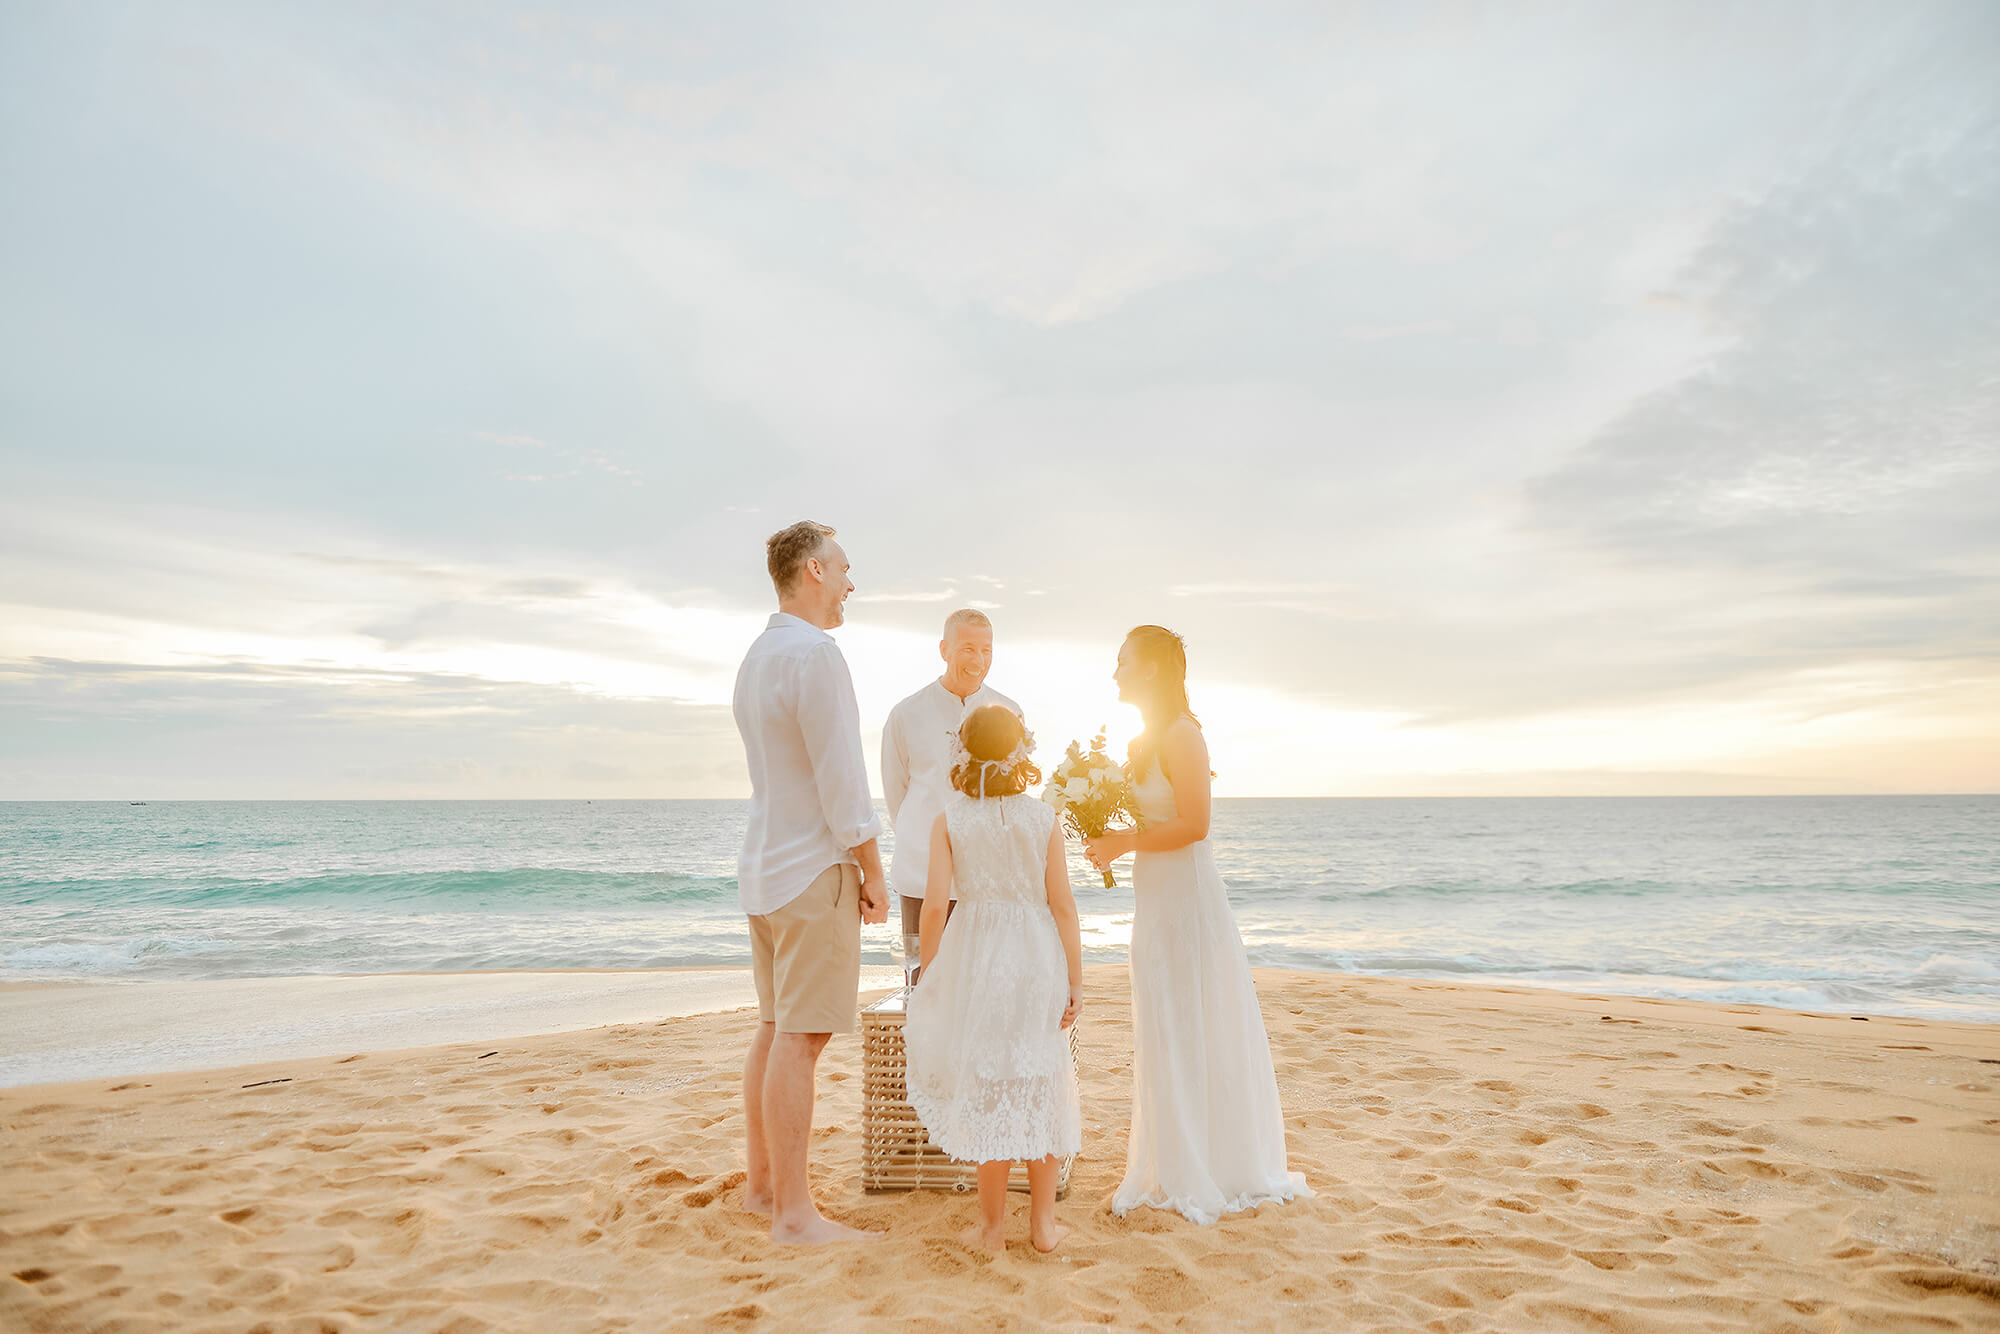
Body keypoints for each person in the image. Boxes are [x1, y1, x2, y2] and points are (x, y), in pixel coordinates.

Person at [1085, 625, 1310, 1225]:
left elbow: (1196, 824)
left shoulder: (1184, 735)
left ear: (1153, 669)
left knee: (1193, 1023)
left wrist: (1125, 839)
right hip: (1154, 900)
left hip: (1186, 899)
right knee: (1166, 1024)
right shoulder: (1144, 740)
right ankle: (1173, 1157)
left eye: (1123, 661)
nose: (1115, 672)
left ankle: (1206, 1166)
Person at [731, 520, 891, 1246]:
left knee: (774, 1028)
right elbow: (841, 780)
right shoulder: (816, 656)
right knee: (801, 1036)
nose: (853, 582)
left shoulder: (758, 656)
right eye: (845, 568)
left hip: (765, 869)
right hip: (810, 869)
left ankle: (763, 1190)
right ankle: (795, 1215)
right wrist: (873, 870)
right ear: (815, 572)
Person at [902, 704, 1084, 1254]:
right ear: (1021, 750)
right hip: (1036, 956)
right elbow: (1064, 907)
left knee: (990, 1079)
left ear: (964, 752)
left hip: (978, 956)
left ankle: (990, 1229)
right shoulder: (1044, 819)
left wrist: (932, 975)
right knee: (1041, 1076)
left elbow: (934, 910)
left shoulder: (950, 821)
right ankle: (1044, 1227)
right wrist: (1077, 980)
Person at [881, 609, 1020, 979]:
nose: (978, 661)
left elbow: (1015, 795)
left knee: (985, 984)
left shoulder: (1010, 713)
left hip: (988, 876)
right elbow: (897, 793)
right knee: (923, 982)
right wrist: (927, 839)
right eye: (968, 649)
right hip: (921, 872)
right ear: (944, 649)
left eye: (987, 650)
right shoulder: (905, 714)